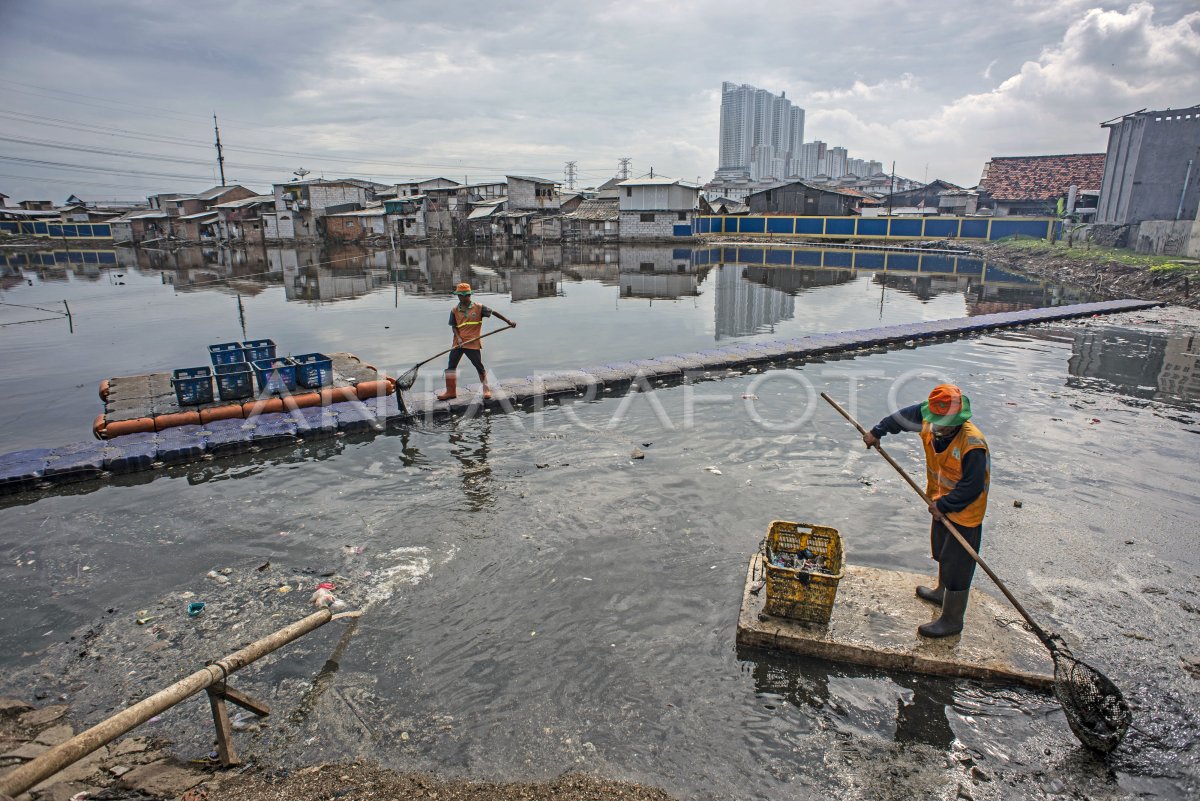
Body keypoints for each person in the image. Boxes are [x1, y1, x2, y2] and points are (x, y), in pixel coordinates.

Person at [861, 384, 989, 638]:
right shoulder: (929, 418)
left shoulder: (973, 444)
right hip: (940, 501)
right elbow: (904, 417)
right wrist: (878, 431)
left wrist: (945, 506)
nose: (935, 427)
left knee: (957, 563)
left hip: (965, 512)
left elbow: (972, 486)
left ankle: (952, 620)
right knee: (941, 549)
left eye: (943, 424)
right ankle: (941, 592)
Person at [436, 282, 515, 401]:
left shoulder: (478, 307)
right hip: (458, 343)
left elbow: (494, 313)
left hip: (473, 342)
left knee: (479, 366)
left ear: (469, 295)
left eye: (464, 295)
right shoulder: (454, 310)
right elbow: (454, 326)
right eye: (459, 295)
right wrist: (458, 338)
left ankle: (486, 389)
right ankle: (451, 391)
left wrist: (508, 321)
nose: (461, 298)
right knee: (451, 366)